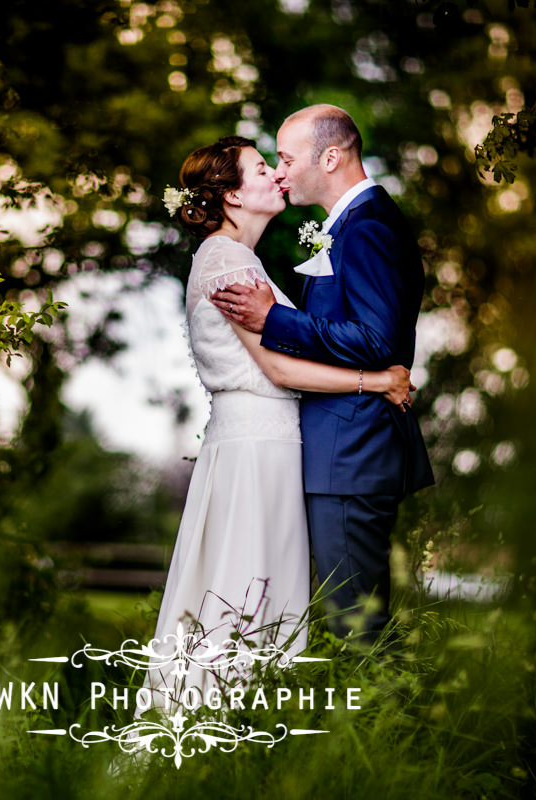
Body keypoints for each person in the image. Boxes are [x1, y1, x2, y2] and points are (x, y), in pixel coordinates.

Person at [139, 135, 414, 715]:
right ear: (234, 196)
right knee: (246, 587)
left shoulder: (233, 256)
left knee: (249, 588)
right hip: (257, 446)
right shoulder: (229, 259)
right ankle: (222, 724)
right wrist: (376, 381)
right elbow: (276, 364)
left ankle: (232, 726)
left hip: (258, 441)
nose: (277, 176)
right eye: (264, 169)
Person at [211, 106, 434, 644]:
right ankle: (374, 721)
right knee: (348, 620)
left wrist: (275, 320)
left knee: (358, 627)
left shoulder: (368, 228)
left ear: (329, 157)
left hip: (350, 452)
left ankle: (389, 723)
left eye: (287, 159)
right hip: (343, 451)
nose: (280, 172)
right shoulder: (358, 224)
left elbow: (378, 342)